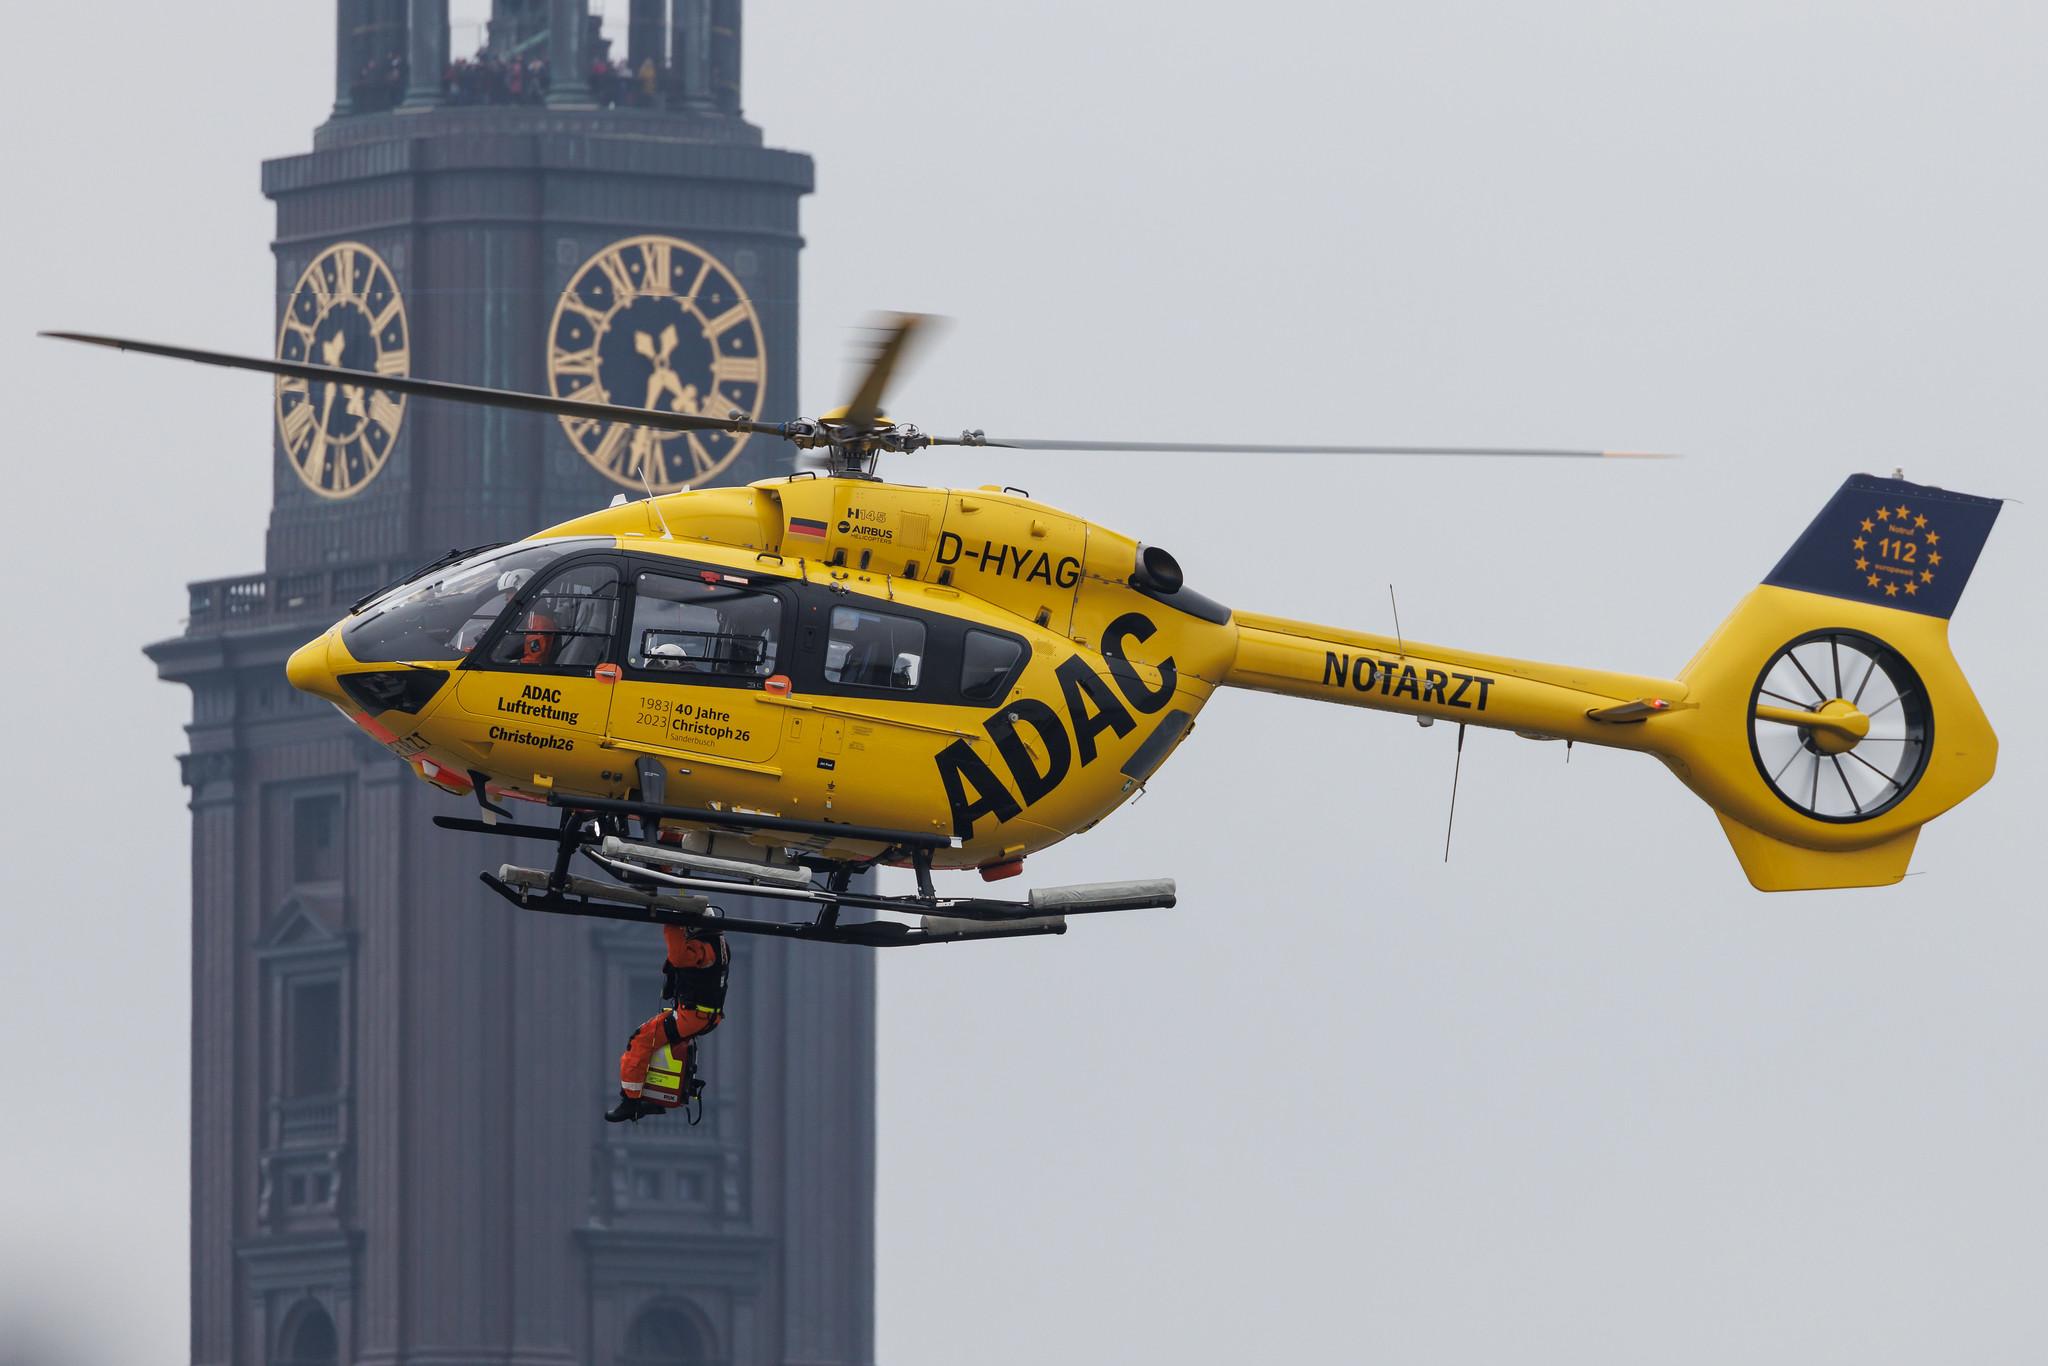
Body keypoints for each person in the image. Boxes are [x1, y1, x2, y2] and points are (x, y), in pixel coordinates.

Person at [606, 920, 730, 1122]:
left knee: (640, 1040)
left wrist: (672, 925)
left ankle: (630, 1102)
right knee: (664, 1047)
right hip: (701, 1015)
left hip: (692, 1016)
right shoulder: (718, 945)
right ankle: (655, 1095)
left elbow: (679, 956)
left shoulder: (703, 947)